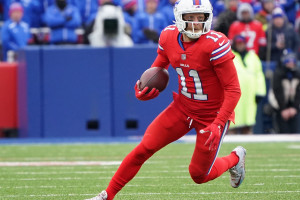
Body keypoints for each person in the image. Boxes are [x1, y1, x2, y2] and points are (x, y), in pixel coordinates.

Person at [86, 0, 246, 199]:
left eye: (200, 18)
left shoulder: (215, 43)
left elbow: (233, 89)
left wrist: (219, 122)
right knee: (143, 149)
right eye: (190, 18)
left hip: (211, 116)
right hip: (183, 108)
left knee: (199, 175)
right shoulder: (169, 36)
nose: (196, 23)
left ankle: (235, 158)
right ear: (180, 17)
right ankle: (106, 195)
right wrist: (143, 88)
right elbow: (158, 68)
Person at [229, 35, 266, 134]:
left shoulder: (253, 57)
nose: (240, 45)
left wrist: (260, 92)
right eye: (238, 43)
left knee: (248, 123)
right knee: (233, 124)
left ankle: (248, 144)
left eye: (242, 43)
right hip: (234, 94)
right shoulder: (229, 55)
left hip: (250, 94)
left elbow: (259, 75)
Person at [268, 49, 300, 133]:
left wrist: (295, 108)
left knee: (295, 131)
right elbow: (277, 93)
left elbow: (298, 93)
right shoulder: (278, 74)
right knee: (282, 131)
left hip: (295, 108)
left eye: (292, 60)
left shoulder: (297, 74)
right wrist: (283, 109)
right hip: (280, 108)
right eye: (288, 60)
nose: (290, 62)